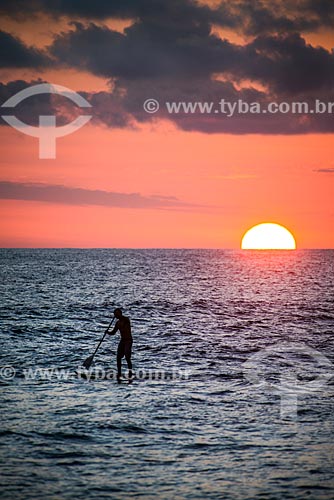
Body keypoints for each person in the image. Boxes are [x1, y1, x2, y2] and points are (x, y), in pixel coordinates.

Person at [108, 308, 133, 382]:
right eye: (114, 314)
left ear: (120, 314)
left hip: (128, 340)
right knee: (118, 357)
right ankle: (119, 373)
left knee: (127, 357)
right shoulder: (117, 323)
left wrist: (119, 315)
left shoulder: (126, 320)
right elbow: (113, 332)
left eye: (116, 314)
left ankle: (130, 372)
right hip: (122, 341)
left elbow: (125, 321)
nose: (115, 315)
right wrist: (107, 332)